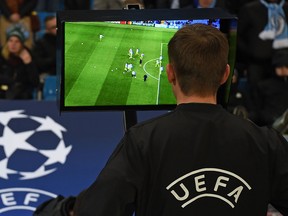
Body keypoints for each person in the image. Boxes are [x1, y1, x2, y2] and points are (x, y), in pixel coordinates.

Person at [70, 24, 288, 216]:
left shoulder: (142, 141)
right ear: (225, 75)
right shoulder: (266, 142)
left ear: (170, 74)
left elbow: (96, 209)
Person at [0, 25, 39, 99]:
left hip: (22, 95)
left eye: (17, 41)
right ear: (7, 43)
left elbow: (35, 82)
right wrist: (12, 81)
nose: (13, 44)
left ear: (21, 44)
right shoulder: (2, 56)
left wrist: (29, 64)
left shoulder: (29, 57)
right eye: (10, 40)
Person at [32, 16, 57, 80]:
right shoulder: (40, 44)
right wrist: (55, 59)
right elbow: (39, 63)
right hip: (50, 74)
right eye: (54, 27)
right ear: (47, 30)